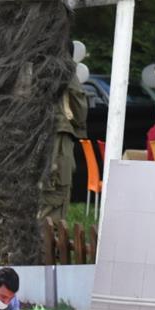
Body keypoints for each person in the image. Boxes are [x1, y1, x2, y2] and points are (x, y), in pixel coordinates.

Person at [39, 72, 89, 221]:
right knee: (54, 193)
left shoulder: (16, 60)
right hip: (55, 133)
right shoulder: (61, 66)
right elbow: (78, 104)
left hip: (23, 136)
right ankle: (46, 240)